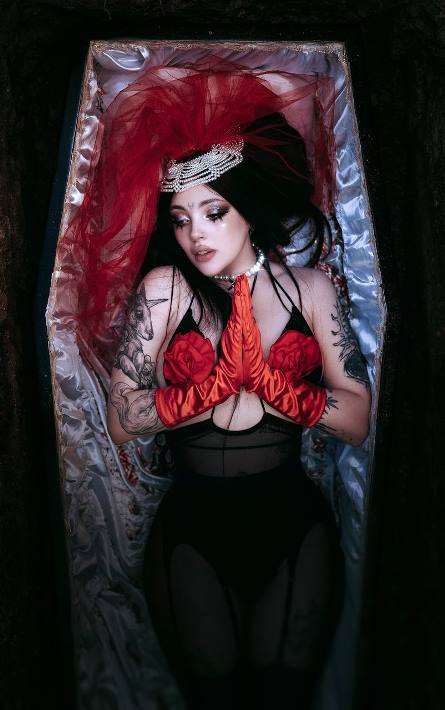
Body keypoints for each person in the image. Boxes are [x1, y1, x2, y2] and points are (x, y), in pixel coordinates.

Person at [63, 56, 370, 709]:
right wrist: (210, 388)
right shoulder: (166, 289)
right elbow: (121, 418)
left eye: (212, 212)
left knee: (285, 698)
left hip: (293, 525)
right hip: (193, 528)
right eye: (180, 219)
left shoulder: (309, 290)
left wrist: (277, 389)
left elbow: (356, 418)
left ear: (248, 210)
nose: (195, 234)